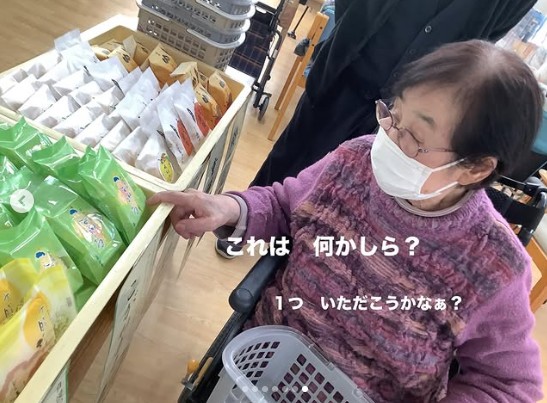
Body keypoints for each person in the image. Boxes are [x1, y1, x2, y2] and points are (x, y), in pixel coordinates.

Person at [149, 40, 544, 402]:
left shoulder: (494, 266)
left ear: (475, 168)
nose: (390, 139)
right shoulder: (356, 160)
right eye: (394, 114)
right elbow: (286, 206)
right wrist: (230, 208)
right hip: (263, 366)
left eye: (415, 138)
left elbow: (509, 387)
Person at [213, 0, 538, 259]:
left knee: (359, 189)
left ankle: (297, 252)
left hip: (413, 108)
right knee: (294, 151)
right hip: (349, 68)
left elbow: (490, 31)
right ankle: (244, 225)